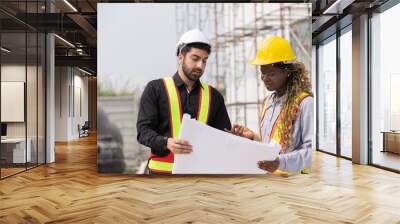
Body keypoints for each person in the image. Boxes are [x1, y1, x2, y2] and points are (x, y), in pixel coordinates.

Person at [137, 29, 232, 174]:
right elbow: (143, 132)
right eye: (195, 59)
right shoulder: (155, 89)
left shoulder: (215, 97)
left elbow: (223, 140)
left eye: (204, 60)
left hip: (200, 181)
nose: (200, 65)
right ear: (180, 56)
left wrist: (234, 136)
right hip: (161, 181)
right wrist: (166, 142)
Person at [226, 36, 314, 175]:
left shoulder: (305, 103)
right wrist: (252, 137)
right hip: (268, 180)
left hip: (294, 184)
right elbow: (271, 146)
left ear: (287, 72)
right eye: (262, 74)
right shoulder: (268, 102)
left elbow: (310, 153)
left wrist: (281, 162)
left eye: (271, 74)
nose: (265, 79)